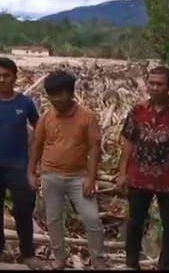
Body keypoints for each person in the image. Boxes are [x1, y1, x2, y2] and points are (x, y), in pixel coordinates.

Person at [117, 66, 169, 270]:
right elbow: (128, 143)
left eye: (159, 84)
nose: (154, 87)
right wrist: (122, 174)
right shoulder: (138, 111)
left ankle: (166, 266)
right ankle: (131, 264)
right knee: (135, 223)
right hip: (139, 177)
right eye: (151, 83)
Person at [28, 71, 105, 270]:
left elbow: (94, 149)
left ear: (71, 93)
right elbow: (36, 143)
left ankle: (98, 261)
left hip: (78, 178)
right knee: (53, 219)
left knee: (92, 219)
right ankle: (60, 258)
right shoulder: (46, 117)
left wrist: (91, 177)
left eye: (61, 94)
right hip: (50, 175)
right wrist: (31, 171)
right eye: (52, 95)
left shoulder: (87, 117)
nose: (57, 100)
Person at [0, 57, 42, 269]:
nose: (1, 80)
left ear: (15, 77)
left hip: (19, 166)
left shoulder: (26, 103)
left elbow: (38, 132)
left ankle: (28, 254)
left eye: (6, 76)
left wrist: (35, 163)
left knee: (23, 209)